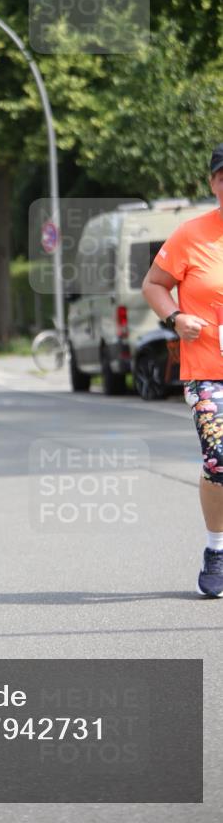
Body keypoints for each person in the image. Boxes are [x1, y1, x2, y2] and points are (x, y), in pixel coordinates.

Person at [141, 143, 223, 598]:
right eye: (222, 177)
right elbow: (153, 284)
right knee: (219, 458)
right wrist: (175, 318)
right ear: (212, 183)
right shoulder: (191, 235)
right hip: (209, 370)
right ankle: (216, 549)